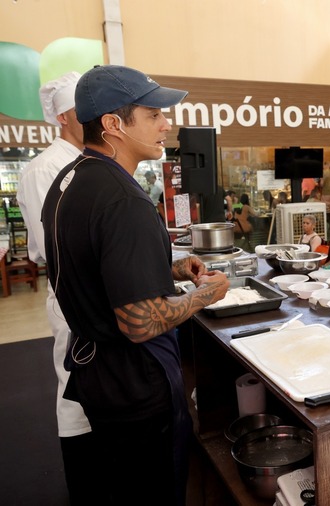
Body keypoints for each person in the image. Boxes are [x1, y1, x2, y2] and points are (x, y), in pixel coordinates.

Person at [40, 65, 230, 504]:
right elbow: (139, 322)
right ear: (113, 125)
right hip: (134, 384)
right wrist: (206, 294)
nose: (167, 125)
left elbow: (96, 267)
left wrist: (170, 270)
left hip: (96, 374)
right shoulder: (125, 201)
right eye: (153, 114)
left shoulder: (70, 181)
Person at [16, 71, 109, 504]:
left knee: (98, 390)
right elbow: (57, 247)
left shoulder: (82, 162)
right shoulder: (44, 169)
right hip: (72, 295)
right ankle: (84, 486)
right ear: (69, 116)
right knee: (74, 391)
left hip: (96, 292)